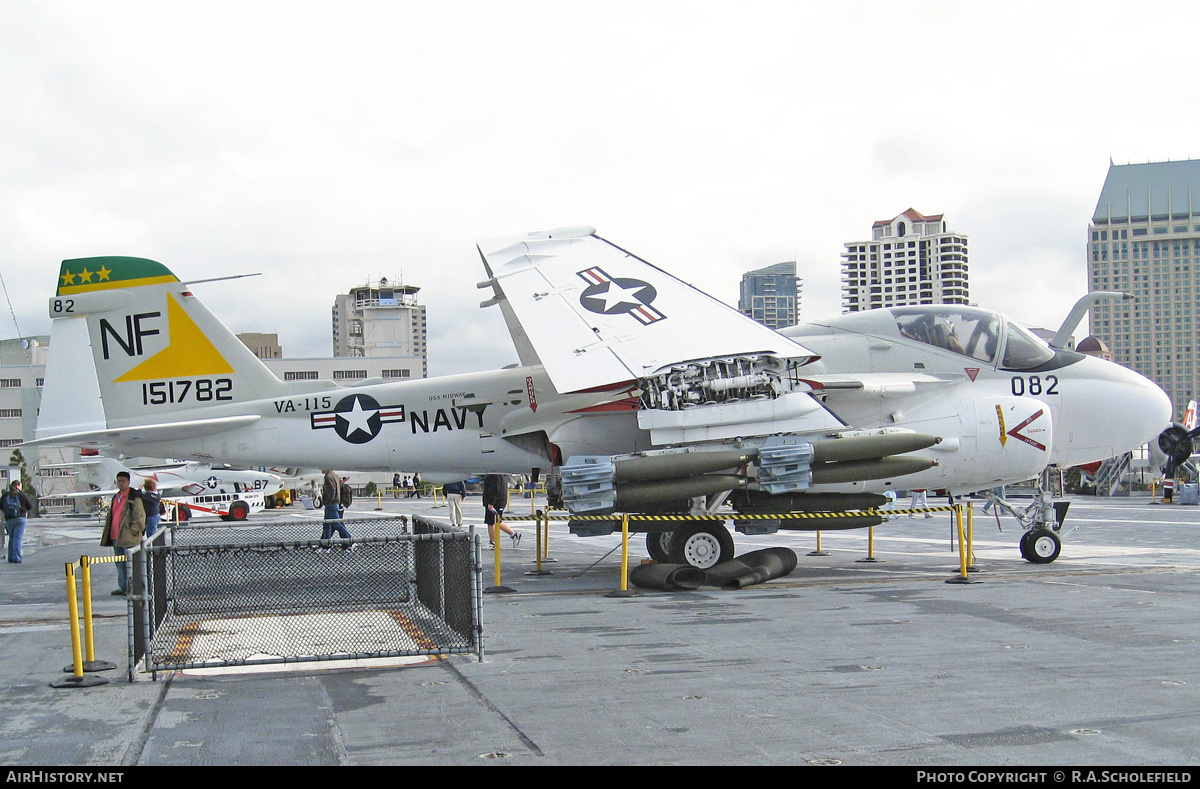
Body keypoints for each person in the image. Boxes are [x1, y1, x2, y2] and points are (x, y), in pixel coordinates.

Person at [101, 471, 145, 594]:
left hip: (129, 536)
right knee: (120, 563)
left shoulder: (133, 497)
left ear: (128, 482)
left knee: (131, 563)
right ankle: (124, 587)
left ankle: (134, 588)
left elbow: (139, 515)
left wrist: (134, 530)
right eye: (118, 481)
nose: (120, 483)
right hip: (116, 536)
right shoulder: (116, 497)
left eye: (123, 481)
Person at [483, 473, 520, 548]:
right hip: (499, 501)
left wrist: (491, 502)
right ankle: (513, 534)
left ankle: (492, 542)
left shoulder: (494, 475)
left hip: (496, 502)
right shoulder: (501, 474)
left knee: (491, 522)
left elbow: (494, 489)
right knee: (497, 521)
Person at [2, 480, 34, 564]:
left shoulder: (6, 495)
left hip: (9, 519)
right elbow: (30, 506)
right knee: (18, 538)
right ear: (19, 486)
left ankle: (11, 557)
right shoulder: (21, 495)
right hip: (20, 518)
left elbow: (1, 506)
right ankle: (17, 558)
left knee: (11, 538)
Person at [320, 469, 351, 540]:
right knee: (327, 525)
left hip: (331, 504)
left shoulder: (328, 477)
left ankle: (349, 540)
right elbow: (341, 487)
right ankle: (325, 544)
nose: (321, 469)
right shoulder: (335, 475)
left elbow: (331, 492)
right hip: (336, 503)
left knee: (336, 524)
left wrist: (327, 501)